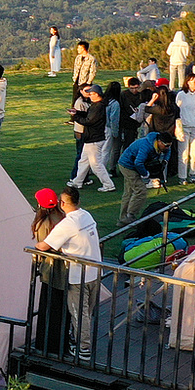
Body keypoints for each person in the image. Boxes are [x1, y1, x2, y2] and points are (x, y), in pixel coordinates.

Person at [38, 186, 103, 361]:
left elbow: (45, 245)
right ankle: (78, 340)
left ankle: (83, 349)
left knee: (78, 314)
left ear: (63, 203)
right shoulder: (86, 215)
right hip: (95, 271)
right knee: (86, 312)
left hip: (78, 276)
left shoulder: (67, 224)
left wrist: (36, 247)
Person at [31, 198, 70, 355]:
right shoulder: (64, 218)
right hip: (67, 271)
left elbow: (43, 246)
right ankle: (62, 344)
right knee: (62, 311)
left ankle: (45, 345)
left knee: (48, 310)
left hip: (52, 271)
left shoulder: (43, 223)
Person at [116, 130, 172, 228]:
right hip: (127, 166)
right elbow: (138, 162)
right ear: (159, 142)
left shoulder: (162, 145)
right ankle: (130, 216)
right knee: (140, 191)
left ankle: (123, 219)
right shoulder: (145, 146)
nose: (167, 148)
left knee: (129, 192)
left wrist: (165, 161)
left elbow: (168, 151)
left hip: (132, 165)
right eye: (166, 145)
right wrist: (146, 174)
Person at [67, 83, 116, 192]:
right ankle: (77, 182)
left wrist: (75, 116)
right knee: (83, 161)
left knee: (96, 165)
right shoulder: (96, 105)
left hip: (94, 139)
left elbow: (89, 121)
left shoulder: (98, 106)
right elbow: (88, 116)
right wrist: (77, 112)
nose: (90, 96)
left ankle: (108, 185)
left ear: (97, 94)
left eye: (92, 94)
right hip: (92, 138)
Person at [142, 83, 180, 183]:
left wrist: (153, 99)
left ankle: (156, 176)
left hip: (157, 134)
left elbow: (146, 108)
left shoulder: (158, 109)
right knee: (167, 156)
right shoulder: (174, 108)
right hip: (169, 134)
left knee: (155, 156)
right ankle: (166, 175)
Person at [175, 73, 195, 184]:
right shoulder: (181, 95)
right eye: (193, 81)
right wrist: (179, 128)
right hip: (184, 127)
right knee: (184, 153)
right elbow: (177, 111)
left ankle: (192, 174)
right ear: (187, 82)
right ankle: (182, 177)